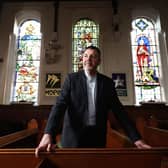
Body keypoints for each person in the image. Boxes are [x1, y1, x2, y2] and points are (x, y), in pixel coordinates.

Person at [35, 45, 151, 157]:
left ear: (99, 61)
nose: (88, 59)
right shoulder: (71, 79)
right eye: (86, 56)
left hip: (97, 140)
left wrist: (137, 138)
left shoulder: (107, 83)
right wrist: (48, 134)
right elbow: (59, 107)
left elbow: (119, 112)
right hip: (72, 140)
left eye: (93, 56)